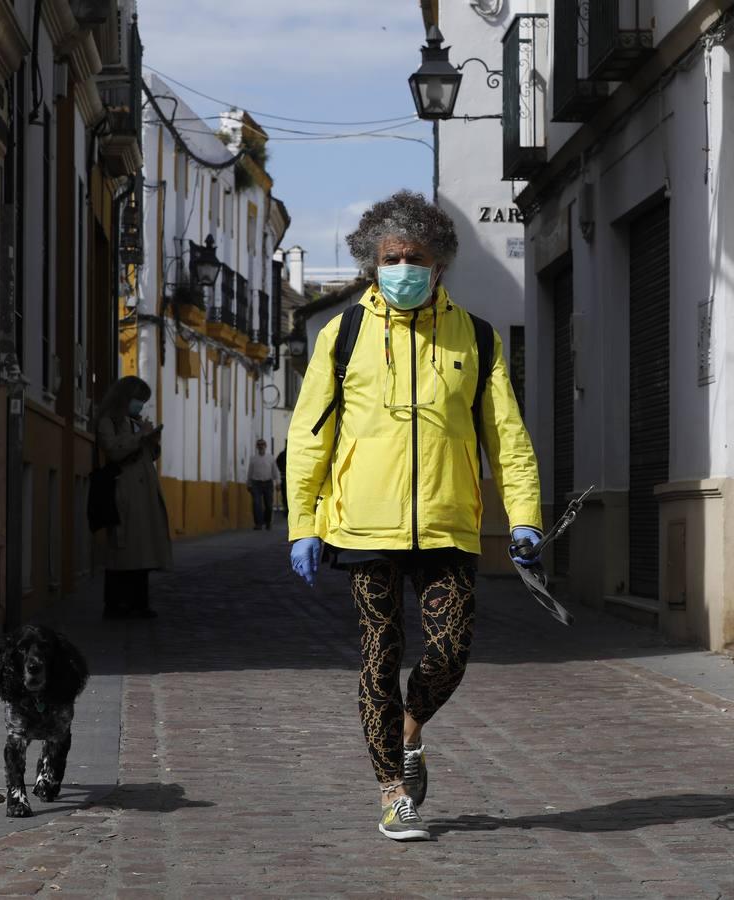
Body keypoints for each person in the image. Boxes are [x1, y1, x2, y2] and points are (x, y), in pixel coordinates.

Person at [285, 190, 544, 842]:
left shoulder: (477, 339)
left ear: (440, 264)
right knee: (378, 657)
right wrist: (302, 524)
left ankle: (408, 732)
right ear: (372, 264)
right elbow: (310, 435)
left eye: (414, 257)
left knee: (450, 653)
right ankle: (392, 793)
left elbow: (506, 438)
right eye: (390, 257)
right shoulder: (341, 335)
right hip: (361, 526)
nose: (401, 267)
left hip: (447, 523)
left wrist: (524, 517)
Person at [95, 376, 173, 619]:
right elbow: (114, 449)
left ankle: (139, 602)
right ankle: (116, 604)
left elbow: (146, 456)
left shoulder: (135, 422)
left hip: (143, 495)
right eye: (138, 400)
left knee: (143, 550)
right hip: (125, 493)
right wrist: (141, 437)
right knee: (123, 550)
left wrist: (152, 440)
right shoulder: (109, 421)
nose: (140, 406)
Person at [246, 439, 277, 531]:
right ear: (257, 446)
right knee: (256, 504)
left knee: (269, 505)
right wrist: (248, 483)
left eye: (262, 444)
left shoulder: (270, 458)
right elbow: (250, 472)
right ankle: (258, 523)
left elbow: (275, 471)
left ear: (265, 446)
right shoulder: (253, 459)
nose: (261, 446)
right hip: (256, 483)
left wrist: (278, 482)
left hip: (268, 483)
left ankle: (267, 522)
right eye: (259, 445)